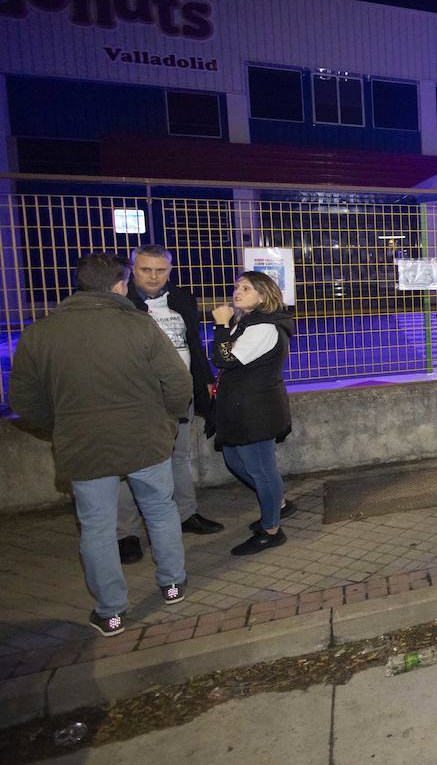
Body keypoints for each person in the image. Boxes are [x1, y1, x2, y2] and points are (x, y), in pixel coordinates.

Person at [9, 253, 192, 636]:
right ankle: (172, 584)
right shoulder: (139, 326)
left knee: (97, 528)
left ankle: (111, 612)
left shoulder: (41, 332)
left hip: (83, 446)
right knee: (160, 510)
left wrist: (61, 426)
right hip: (145, 440)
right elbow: (178, 382)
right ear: (120, 284)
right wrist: (168, 420)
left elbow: (23, 399)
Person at [115, 244, 222, 567]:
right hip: (138, 399)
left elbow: (194, 344)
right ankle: (127, 534)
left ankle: (186, 514)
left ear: (170, 271)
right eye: (146, 269)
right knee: (128, 465)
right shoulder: (121, 305)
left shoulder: (182, 300)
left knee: (180, 457)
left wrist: (204, 382)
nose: (153, 276)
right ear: (133, 270)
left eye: (160, 270)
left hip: (180, 394)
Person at [210, 271, 296, 556]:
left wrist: (220, 326)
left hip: (255, 410)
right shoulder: (248, 322)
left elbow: (224, 358)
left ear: (262, 296)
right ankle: (278, 503)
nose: (237, 291)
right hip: (242, 408)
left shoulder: (264, 328)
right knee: (234, 460)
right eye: (237, 286)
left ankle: (271, 530)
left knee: (262, 470)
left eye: (246, 288)